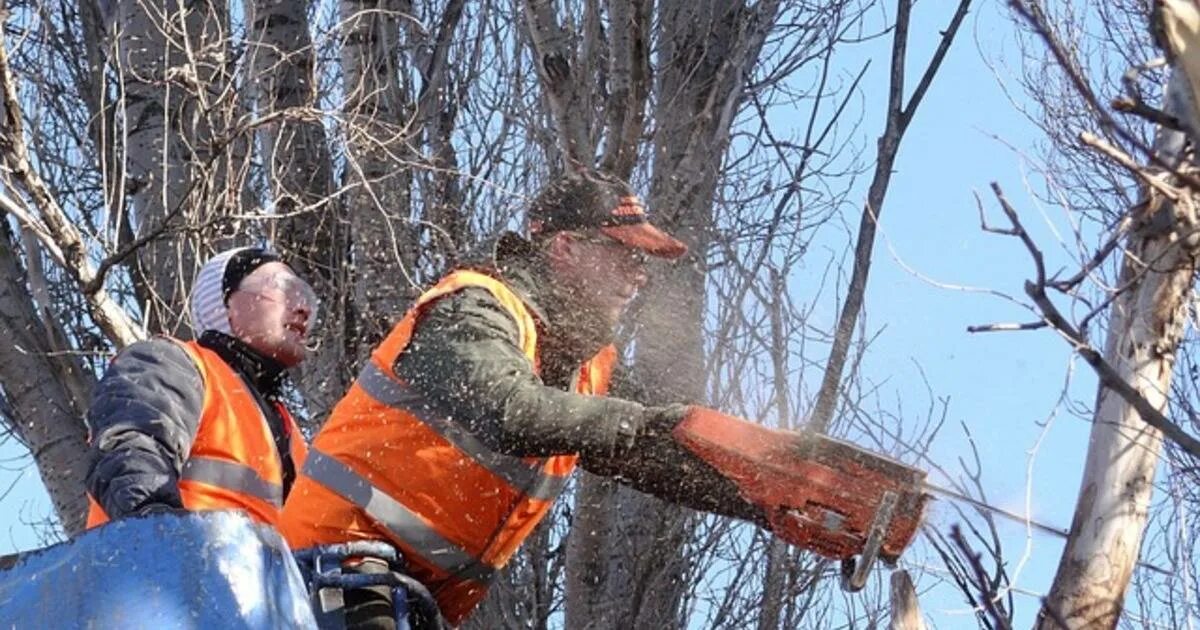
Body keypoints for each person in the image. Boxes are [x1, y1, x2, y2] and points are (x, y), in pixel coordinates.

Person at [279, 170, 771, 628]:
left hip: (408, 591)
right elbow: (510, 410)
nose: (638, 276)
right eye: (625, 256)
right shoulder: (471, 307)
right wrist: (649, 423)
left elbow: (652, 450)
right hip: (337, 562)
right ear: (566, 248)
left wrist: (771, 497)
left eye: (641, 262)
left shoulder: (586, 367)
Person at [85, 246, 317, 528]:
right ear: (226, 305)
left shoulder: (287, 429)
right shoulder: (171, 363)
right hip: (167, 565)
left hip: (253, 570)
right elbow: (130, 452)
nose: (302, 308)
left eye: (304, 296)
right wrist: (160, 531)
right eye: (282, 288)